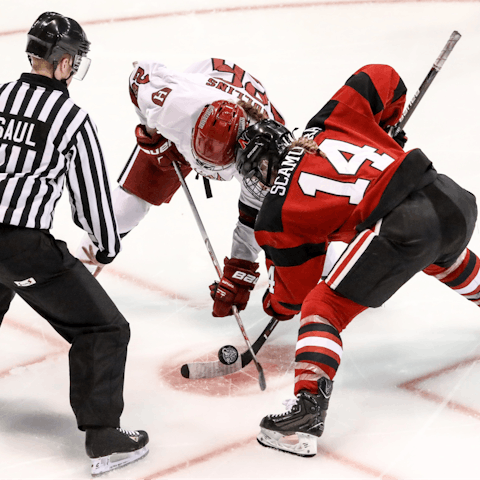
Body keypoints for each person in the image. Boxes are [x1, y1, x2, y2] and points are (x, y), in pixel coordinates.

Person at [235, 64, 478, 457]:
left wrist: (272, 304)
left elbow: (297, 293)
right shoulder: (328, 119)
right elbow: (382, 76)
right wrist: (385, 130)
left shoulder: (274, 214)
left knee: (322, 306)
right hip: (451, 199)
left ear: (263, 164)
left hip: (404, 225)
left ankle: (306, 414)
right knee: (437, 253)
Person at [0, 12, 149, 475]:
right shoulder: (71, 118)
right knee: (103, 329)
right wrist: (106, 246)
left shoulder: (0, 96)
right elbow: (91, 200)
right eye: (74, 60)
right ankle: (105, 438)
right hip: (22, 246)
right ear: (63, 63)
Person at [77, 57, 292, 317]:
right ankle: (74, 274)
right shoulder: (174, 105)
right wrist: (152, 133)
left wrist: (239, 271)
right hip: (189, 121)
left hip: (228, 132)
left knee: (279, 218)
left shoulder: (260, 155)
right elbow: (140, 73)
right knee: (123, 212)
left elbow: (251, 220)